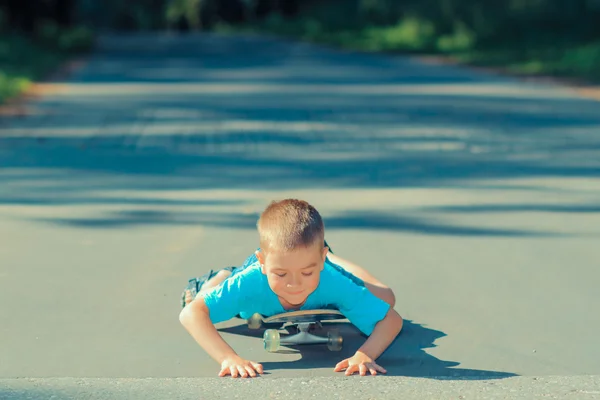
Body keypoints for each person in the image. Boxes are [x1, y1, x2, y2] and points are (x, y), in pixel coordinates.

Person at [179, 199, 403, 378]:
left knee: (386, 297)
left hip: (326, 269)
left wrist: (365, 354)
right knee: (198, 300)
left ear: (321, 261)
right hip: (251, 292)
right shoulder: (248, 282)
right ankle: (222, 277)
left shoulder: (330, 279)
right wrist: (228, 358)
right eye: (281, 274)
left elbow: (392, 319)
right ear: (263, 263)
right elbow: (191, 314)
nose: (294, 284)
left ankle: (329, 257)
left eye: (307, 272)